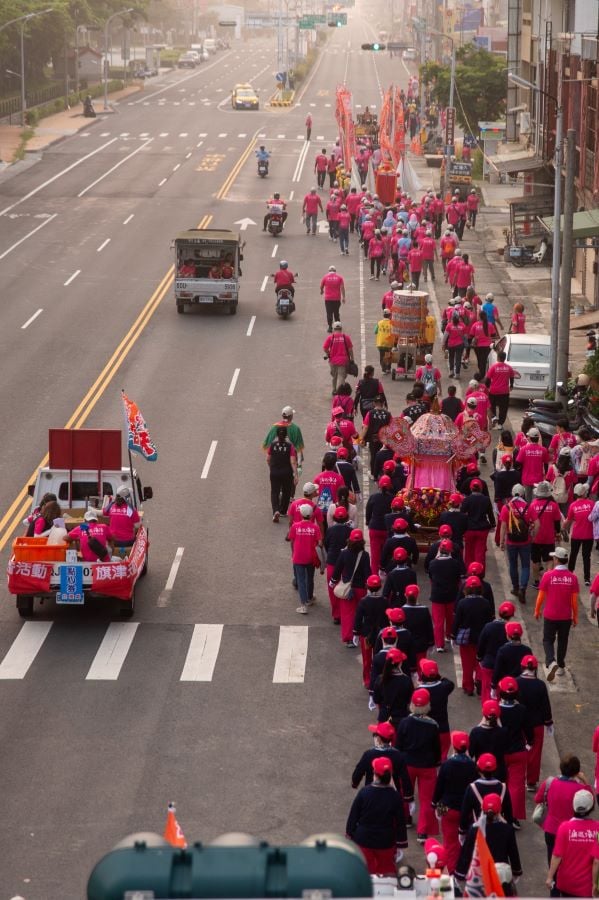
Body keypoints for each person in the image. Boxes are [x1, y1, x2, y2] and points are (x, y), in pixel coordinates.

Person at [346, 755, 408, 875]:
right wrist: (401, 843)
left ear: (374, 774)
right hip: (385, 841)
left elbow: (353, 815)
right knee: (387, 873)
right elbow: (400, 822)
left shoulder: (364, 792)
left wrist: (349, 834)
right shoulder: (395, 796)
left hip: (363, 839)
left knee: (365, 872)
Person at [395, 688, 441, 842]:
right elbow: (436, 748)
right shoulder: (433, 725)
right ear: (428, 704)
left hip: (407, 763)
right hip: (427, 765)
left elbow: (399, 745)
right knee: (427, 799)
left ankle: (406, 819)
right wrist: (436, 762)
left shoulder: (404, 722)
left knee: (404, 792)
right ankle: (423, 831)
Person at [455, 793, 522, 894]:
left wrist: (460, 873)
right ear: (500, 810)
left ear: (482, 808)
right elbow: (513, 853)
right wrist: (516, 871)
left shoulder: (474, 829)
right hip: (500, 877)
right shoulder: (507, 829)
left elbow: (466, 854)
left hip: (480, 876)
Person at [432, 731, 478, 874]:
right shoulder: (472, 766)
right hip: (467, 809)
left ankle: (452, 872)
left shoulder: (447, 765)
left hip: (447, 807)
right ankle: (464, 869)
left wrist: (434, 804)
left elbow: (439, 788)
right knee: (465, 841)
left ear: (454, 746)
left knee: (450, 842)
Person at [535, 754, 592, 863]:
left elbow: (537, 799)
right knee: (569, 861)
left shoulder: (550, 782)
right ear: (577, 772)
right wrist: (585, 781)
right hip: (571, 830)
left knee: (552, 856)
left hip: (551, 828)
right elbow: (590, 802)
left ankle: (553, 879)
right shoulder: (580, 789)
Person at [535, 545, 579, 681]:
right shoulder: (573, 578)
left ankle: (551, 661)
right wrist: (575, 617)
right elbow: (574, 601)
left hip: (550, 615)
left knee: (548, 639)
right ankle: (560, 666)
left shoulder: (548, 576)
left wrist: (537, 610)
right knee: (563, 640)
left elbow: (541, 596)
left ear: (556, 560)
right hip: (565, 616)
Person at [547, 790, 599, 898]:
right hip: (586, 886)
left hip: (566, 883)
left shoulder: (564, 827)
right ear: (592, 807)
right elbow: (596, 861)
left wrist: (550, 877)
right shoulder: (597, 828)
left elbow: (557, 855)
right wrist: (595, 884)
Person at [497, 676, 533, 827]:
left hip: (500, 752)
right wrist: (529, 744)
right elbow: (529, 731)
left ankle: (497, 812)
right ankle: (512, 817)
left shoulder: (496, 709)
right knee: (516, 786)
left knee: (498, 784)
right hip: (518, 751)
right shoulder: (522, 710)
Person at [517, 654, 553, 792]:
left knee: (518, 751)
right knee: (535, 753)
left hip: (519, 724)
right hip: (536, 724)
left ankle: (518, 777)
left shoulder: (516, 682)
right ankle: (531, 782)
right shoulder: (540, 685)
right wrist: (548, 722)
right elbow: (545, 706)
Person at [453, 575, 493, 696]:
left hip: (466, 638)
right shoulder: (485, 603)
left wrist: (453, 635)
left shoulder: (462, 603)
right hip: (482, 637)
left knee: (467, 663)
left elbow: (457, 621)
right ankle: (480, 681)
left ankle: (468, 686)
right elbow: (489, 620)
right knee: (480, 661)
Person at [330, 529, 371, 646]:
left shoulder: (344, 553)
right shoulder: (365, 555)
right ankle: (359, 636)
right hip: (361, 589)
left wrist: (332, 582)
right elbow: (368, 572)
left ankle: (349, 639)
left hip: (347, 589)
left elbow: (337, 569)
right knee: (360, 614)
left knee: (347, 614)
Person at [428, 539, 465, 652]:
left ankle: (439, 645)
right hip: (451, 594)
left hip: (437, 595)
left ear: (439, 549)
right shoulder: (455, 564)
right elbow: (459, 577)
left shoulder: (433, 563)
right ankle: (448, 636)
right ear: (450, 551)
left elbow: (431, 577)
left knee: (438, 622)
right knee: (450, 617)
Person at [477, 601, 516, 705]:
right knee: (501, 690)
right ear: (511, 615)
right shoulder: (511, 630)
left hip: (489, 663)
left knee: (486, 690)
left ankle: (487, 712)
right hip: (504, 666)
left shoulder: (488, 626)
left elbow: (481, 644)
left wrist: (479, 658)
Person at [499, 483, 531, 605]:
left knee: (513, 565)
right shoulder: (528, 506)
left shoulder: (506, 507)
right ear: (523, 493)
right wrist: (532, 536)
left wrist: (501, 542)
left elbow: (503, 527)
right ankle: (523, 588)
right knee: (525, 566)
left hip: (511, 541)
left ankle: (516, 587)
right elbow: (537, 523)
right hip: (525, 541)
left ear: (512, 494)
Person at [526, 479, 563, 584]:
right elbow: (557, 522)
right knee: (549, 560)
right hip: (549, 537)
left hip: (535, 537)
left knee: (535, 560)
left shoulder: (532, 505)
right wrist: (557, 534)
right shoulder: (554, 505)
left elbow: (529, 521)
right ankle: (548, 581)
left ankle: (537, 581)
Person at [288, 504, 322, 613]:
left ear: (301, 514)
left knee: (301, 580)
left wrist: (293, 553)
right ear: (311, 514)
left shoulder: (295, 526)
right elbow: (320, 543)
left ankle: (303, 605)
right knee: (310, 578)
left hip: (298, 557)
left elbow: (291, 541)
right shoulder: (315, 527)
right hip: (311, 557)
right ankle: (310, 598)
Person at [324, 506, 352, 623]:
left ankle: (336, 614)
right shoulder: (350, 531)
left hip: (332, 561)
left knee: (332, 587)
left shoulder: (330, 530)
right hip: (346, 562)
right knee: (345, 586)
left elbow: (326, 544)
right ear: (346, 517)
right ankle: (345, 612)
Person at [460, 479, 495, 568]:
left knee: (469, 552)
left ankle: (469, 570)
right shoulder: (486, 499)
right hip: (482, 529)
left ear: (471, 488)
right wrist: (493, 524)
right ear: (481, 488)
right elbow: (490, 513)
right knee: (480, 552)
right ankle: (479, 571)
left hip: (469, 529)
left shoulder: (467, 500)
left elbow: (462, 513)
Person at [564, 482, 594, 585]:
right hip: (589, 535)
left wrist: (564, 530)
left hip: (576, 534)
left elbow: (568, 521)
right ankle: (587, 578)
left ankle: (570, 573)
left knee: (573, 554)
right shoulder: (591, 504)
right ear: (584, 493)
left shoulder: (572, 505)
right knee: (586, 556)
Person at [266, 426, 298, 523]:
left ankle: (275, 510)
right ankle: (283, 511)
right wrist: (295, 474)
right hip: (286, 473)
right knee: (286, 491)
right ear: (286, 435)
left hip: (274, 472)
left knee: (274, 492)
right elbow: (293, 461)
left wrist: (271, 468)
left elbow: (268, 459)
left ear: (277, 435)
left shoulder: (272, 445)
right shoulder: (290, 446)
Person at [365, 475, 395, 575]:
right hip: (387, 530)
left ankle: (374, 575)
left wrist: (368, 522)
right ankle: (385, 572)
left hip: (375, 528)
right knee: (386, 553)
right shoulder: (392, 498)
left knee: (375, 555)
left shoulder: (373, 497)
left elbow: (368, 511)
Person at [486, 351, 521, 428]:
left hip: (493, 391)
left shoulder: (493, 367)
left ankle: (494, 418)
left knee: (492, 406)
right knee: (503, 408)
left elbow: (488, 379)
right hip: (504, 392)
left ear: (498, 357)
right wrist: (511, 386)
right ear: (504, 358)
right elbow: (512, 377)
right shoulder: (509, 368)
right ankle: (500, 424)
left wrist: (487, 387)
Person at [492, 620, 532, 687]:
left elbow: (497, 670)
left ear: (507, 635)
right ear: (521, 634)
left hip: (506, 684)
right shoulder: (527, 650)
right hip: (522, 684)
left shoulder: (502, 650)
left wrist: (493, 684)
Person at [360, 396, 391, 477]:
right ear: (383, 403)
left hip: (373, 438)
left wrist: (361, 438)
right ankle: (383, 471)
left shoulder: (370, 413)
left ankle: (374, 473)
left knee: (373, 455)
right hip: (384, 439)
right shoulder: (388, 414)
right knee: (383, 454)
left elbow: (365, 427)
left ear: (374, 403)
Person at [403, 584, 434, 666]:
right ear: (418, 595)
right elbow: (429, 628)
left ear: (405, 595)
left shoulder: (402, 610)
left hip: (407, 646)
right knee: (421, 668)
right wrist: (431, 643)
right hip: (421, 645)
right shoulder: (424, 610)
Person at [323, 321, 354, 394]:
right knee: (341, 376)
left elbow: (325, 348)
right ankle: (339, 392)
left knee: (334, 376)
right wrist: (352, 359)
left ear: (333, 329)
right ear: (341, 328)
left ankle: (334, 390)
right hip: (343, 361)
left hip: (332, 361)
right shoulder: (346, 337)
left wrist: (329, 353)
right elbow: (350, 350)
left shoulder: (331, 337)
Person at [470, 310, 497, 376]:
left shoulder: (475, 325)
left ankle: (481, 373)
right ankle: (482, 373)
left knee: (479, 359)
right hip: (487, 346)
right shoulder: (490, 325)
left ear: (479, 316)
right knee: (484, 360)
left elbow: (471, 335)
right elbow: (494, 334)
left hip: (478, 346)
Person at [320, 266, 346, 333]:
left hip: (328, 299)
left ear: (329, 271)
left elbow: (321, 286)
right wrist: (343, 297)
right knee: (336, 312)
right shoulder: (339, 277)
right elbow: (342, 288)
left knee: (329, 313)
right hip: (336, 298)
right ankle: (338, 326)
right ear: (335, 271)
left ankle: (330, 327)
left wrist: (321, 291)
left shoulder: (325, 277)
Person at [442, 312, 467, 379]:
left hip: (451, 345)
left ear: (452, 318)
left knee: (451, 358)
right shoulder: (463, 325)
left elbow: (445, 336)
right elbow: (465, 336)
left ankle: (451, 371)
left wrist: (443, 344)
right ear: (458, 318)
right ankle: (457, 374)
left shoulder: (449, 325)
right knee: (458, 359)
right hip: (460, 345)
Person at [374, 310, 395, 374]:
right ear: (389, 315)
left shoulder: (379, 323)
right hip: (388, 344)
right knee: (388, 356)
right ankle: (388, 368)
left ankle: (383, 369)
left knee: (382, 356)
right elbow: (394, 333)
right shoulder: (392, 323)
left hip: (380, 343)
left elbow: (375, 331)